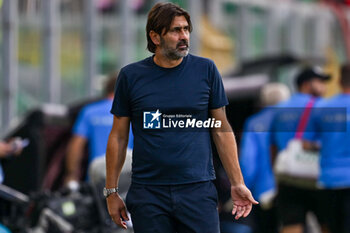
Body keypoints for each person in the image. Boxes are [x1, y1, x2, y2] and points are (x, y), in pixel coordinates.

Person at [105, 2, 258, 233]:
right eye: (176, 30)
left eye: (186, 29)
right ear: (155, 37)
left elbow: (221, 129)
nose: (184, 36)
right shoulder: (131, 76)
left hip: (197, 190)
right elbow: (118, 136)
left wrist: (237, 182)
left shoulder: (206, 70)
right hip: (149, 193)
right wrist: (111, 192)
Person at [270, 67, 330, 233]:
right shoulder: (323, 106)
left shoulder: (280, 109)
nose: (324, 87)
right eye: (320, 82)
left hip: (288, 176)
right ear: (306, 84)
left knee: (291, 225)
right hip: (318, 177)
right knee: (328, 224)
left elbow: (272, 145)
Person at [237, 83, 290, 233]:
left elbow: (248, 162)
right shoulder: (295, 119)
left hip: (264, 191)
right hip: (295, 186)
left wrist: (243, 187)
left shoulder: (254, 123)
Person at [303, 64, 350, 233]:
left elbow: (306, 144)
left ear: (338, 81)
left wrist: (326, 145)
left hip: (329, 180)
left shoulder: (322, 108)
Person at [64, 73, 133, 186]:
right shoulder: (134, 113)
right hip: (127, 178)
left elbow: (76, 146)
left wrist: (71, 175)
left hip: (96, 179)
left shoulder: (90, 111)